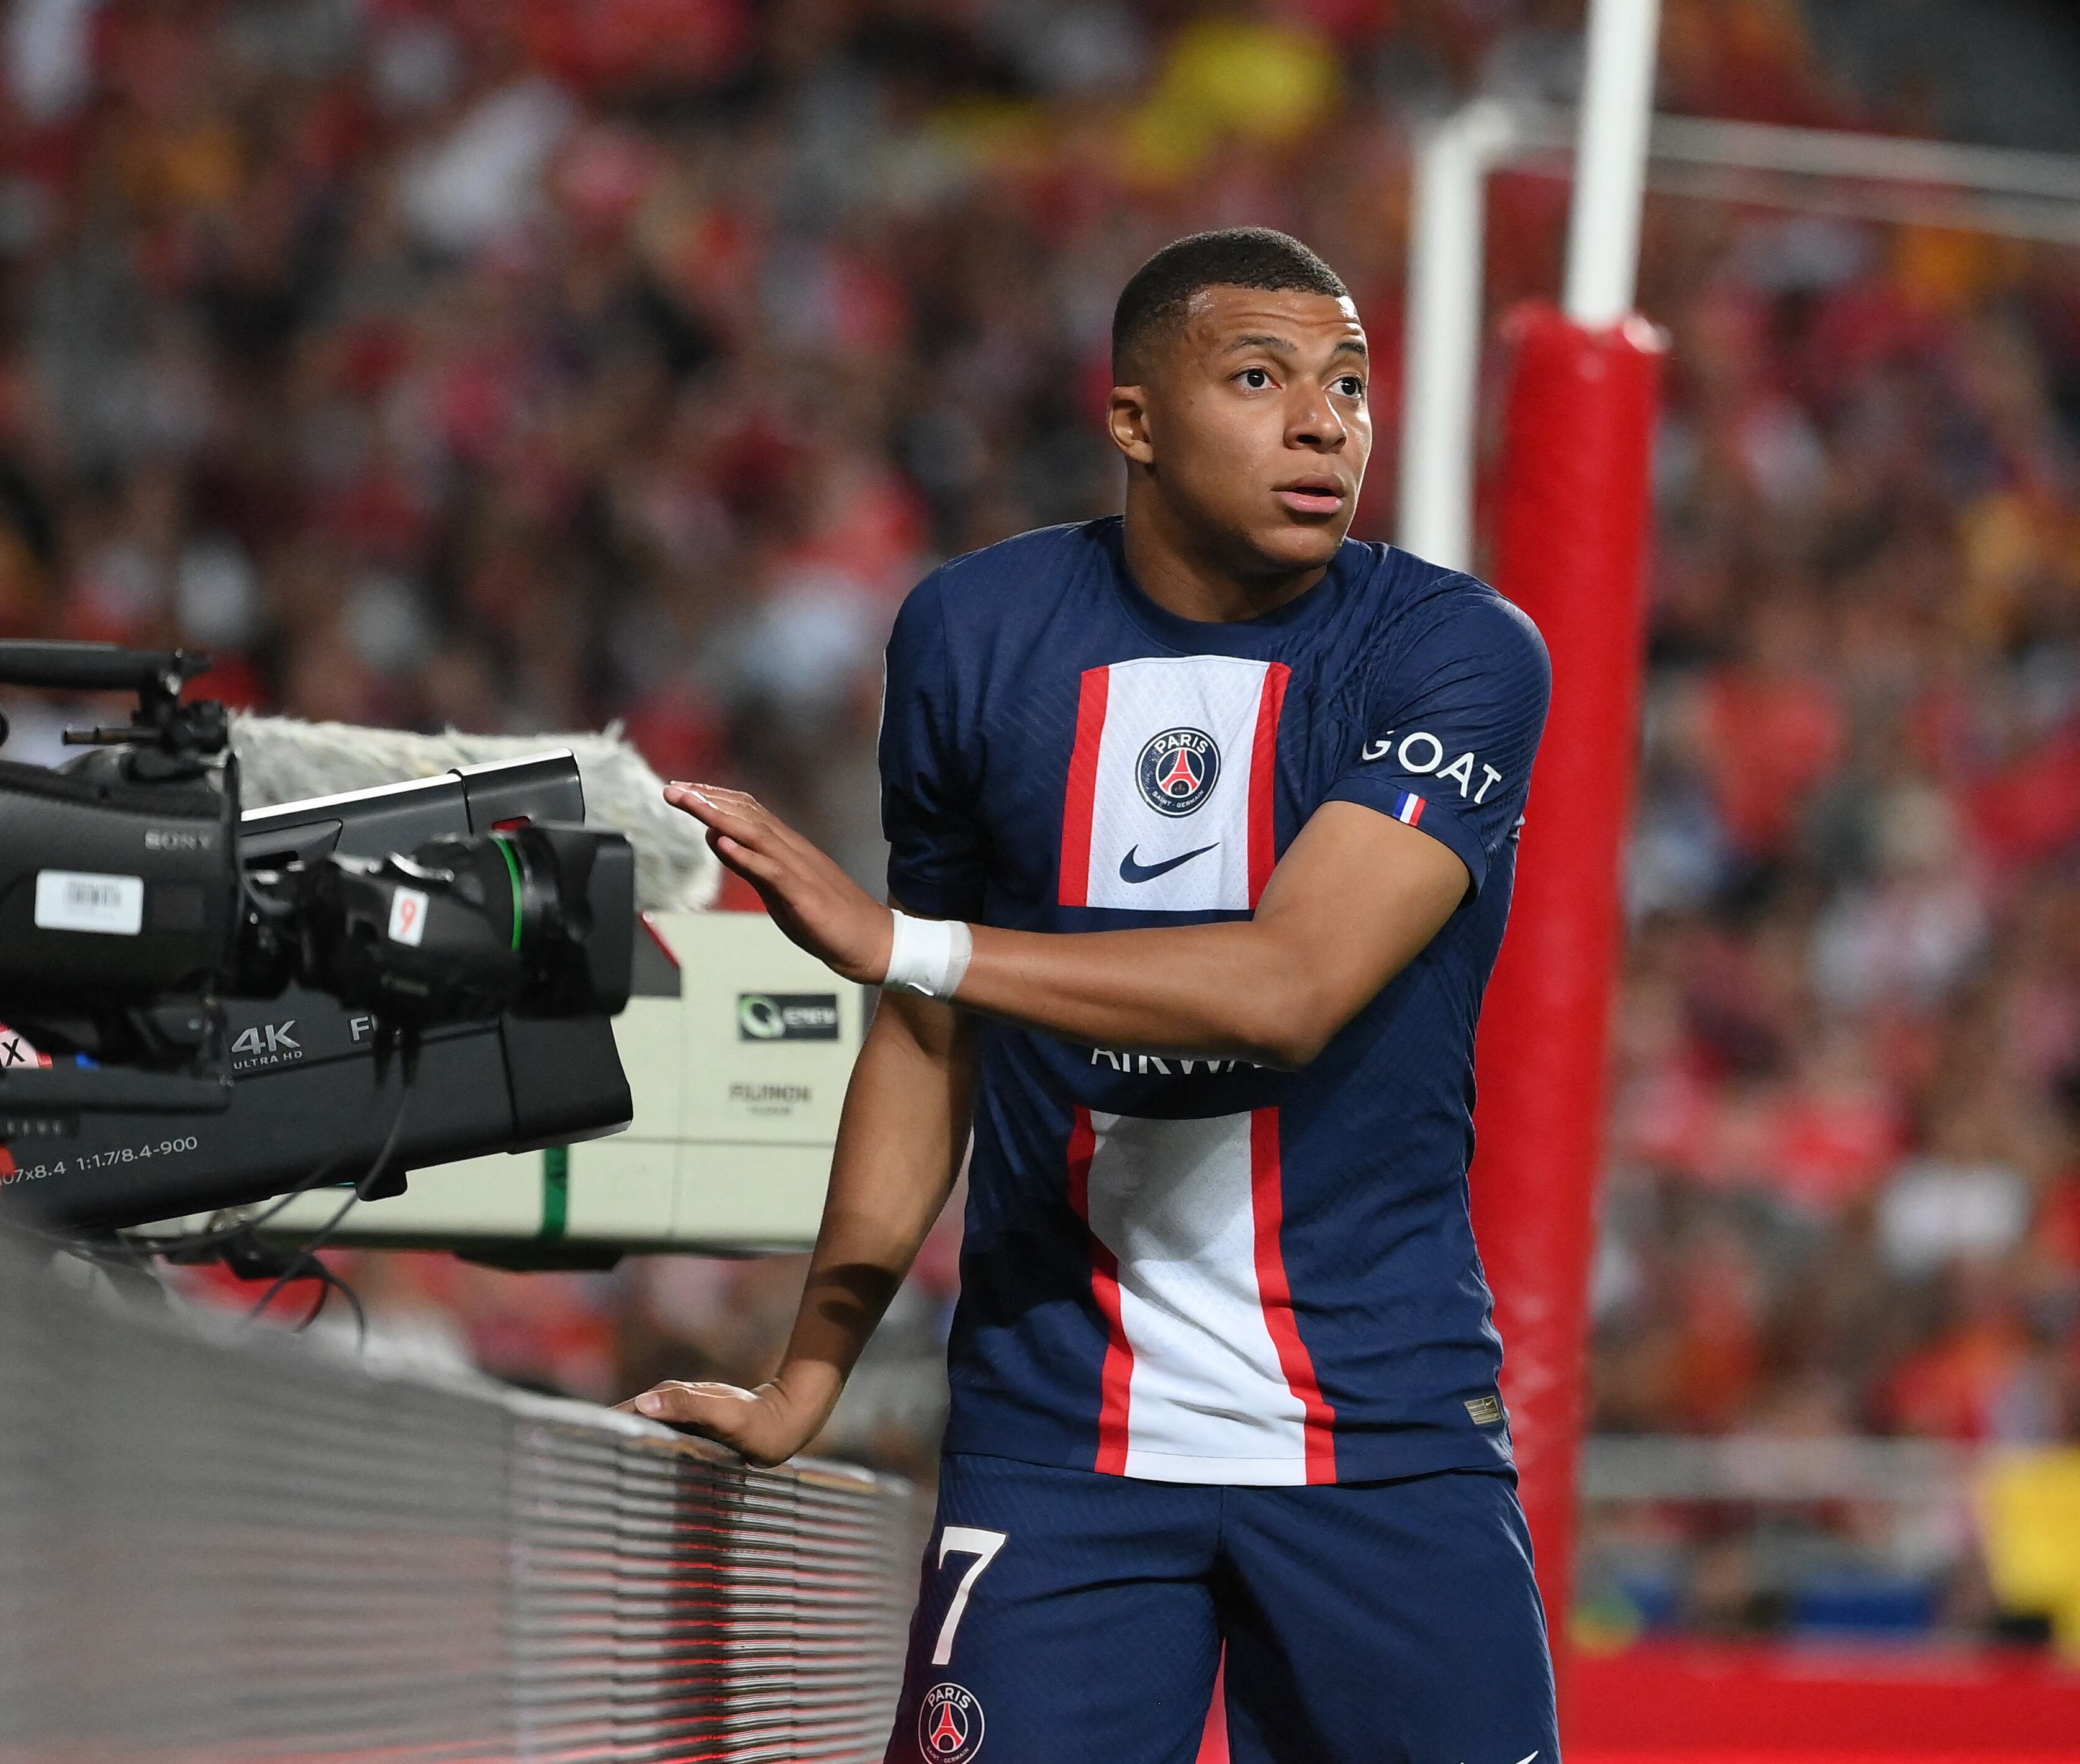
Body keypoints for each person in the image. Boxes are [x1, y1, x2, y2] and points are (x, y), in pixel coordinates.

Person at [624, 228, 1558, 1763]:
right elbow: (926, 1037)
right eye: (1258, 378)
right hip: (1059, 1443)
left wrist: (912, 943)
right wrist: (807, 1377)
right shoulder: (972, 636)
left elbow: (1286, 986)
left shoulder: (1452, 653)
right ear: (1131, 419)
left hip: (1380, 1438)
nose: (1324, 423)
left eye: (1349, 384)